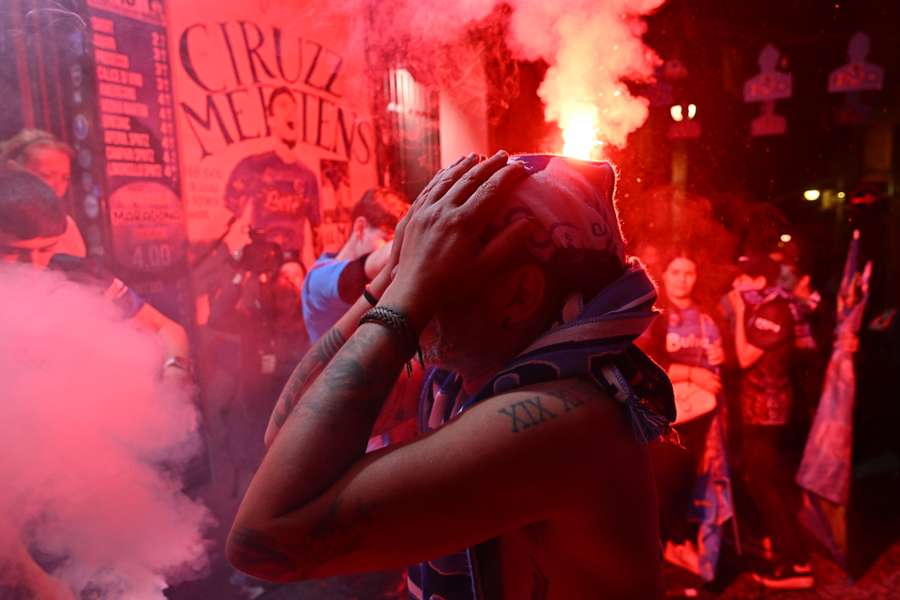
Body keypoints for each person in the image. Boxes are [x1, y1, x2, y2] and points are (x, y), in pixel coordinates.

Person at [228, 152, 675, 599]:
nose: (428, 279)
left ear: (518, 295)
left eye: (445, 259)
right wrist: (396, 275)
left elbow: (265, 536)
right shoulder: (459, 373)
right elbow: (285, 433)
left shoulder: (566, 418)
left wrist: (406, 295)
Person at [0, 169, 191, 380]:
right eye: (11, 251)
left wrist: (174, 375)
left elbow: (168, 330)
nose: (33, 265)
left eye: (45, 249)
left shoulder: (78, 274)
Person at [726, 253, 813, 590]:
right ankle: (785, 551)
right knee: (762, 480)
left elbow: (746, 357)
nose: (736, 285)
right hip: (758, 411)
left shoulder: (772, 309)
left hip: (767, 413)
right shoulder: (767, 306)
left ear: (760, 282)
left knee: (766, 484)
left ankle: (798, 564)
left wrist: (740, 311)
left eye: (743, 279)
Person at [637, 251, 726, 577]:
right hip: (664, 413)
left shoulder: (705, 316)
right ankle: (657, 550)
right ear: (665, 274)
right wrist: (690, 374)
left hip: (700, 413)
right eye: (675, 272)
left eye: (689, 272)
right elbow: (644, 360)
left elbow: (715, 360)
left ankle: (677, 543)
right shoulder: (654, 314)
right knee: (663, 480)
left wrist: (719, 356)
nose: (682, 279)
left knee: (691, 479)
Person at [224, 87, 321, 262]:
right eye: (283, 106)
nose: (291, 111)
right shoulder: (253, 166)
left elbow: (316, 236)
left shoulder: (308, 177)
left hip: (294, 266)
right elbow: (227, 223)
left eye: (294, 107)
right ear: (271, 120)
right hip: (262, 265)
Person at [302, 187, 408, 342]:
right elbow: (357, 274)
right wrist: (414, 235)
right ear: (360, 228)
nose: (390, 249)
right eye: (386, 240)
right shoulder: (318, 278)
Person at [1, 129, 87, 257]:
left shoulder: (67, 226)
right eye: (46, 175)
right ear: (13, 168)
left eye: (65, 178)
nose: (57, 187)